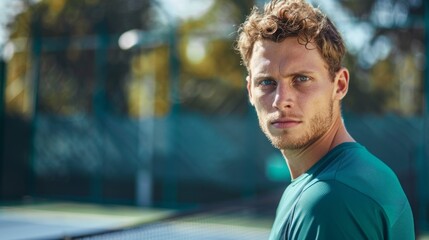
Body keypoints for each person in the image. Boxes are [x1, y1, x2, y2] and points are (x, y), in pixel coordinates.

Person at [235, 0, 415, 239]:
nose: (281, 100)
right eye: (266, 82)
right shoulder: (348, 177)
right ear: (250, 91)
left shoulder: (331, 198)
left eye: (301, 79)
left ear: (339, 85)